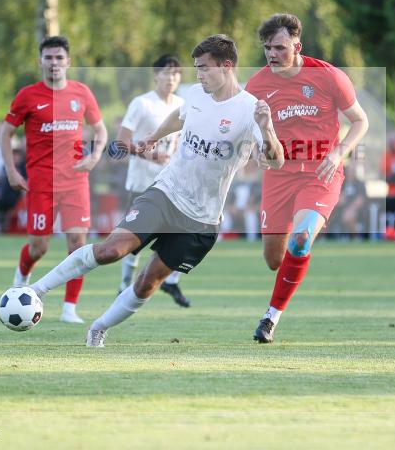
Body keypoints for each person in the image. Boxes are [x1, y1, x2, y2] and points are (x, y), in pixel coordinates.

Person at [26, 34, 284, 347]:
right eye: (196, 69)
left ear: (226, 66)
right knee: (111, 250)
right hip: (165, 193)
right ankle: (34, 291)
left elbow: (276, 159)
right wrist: (152, 137)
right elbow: (180, 115)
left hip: (201, 221)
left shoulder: (251, 109)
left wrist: (268, 129)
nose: (197, 75)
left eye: (203, 68)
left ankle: (98, 328)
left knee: (149, 281)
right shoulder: (197, 94)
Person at [244, 13, 369, 343]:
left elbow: (360, 122)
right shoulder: (256, 85)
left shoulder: (328, 76)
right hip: (279, 175)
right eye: (267, 48)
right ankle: (291, 270)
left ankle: (270, 318)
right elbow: (251, 132)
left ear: (297, 46)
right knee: (274, 259)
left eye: (280, 48)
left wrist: (338, 152)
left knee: (300, 238)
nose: (273, 55)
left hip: (321, 173)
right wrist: (258, 149)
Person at [0, 35, 108, 324]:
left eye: (59, 57)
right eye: (48, 57)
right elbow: (6, 133)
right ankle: (21, 277)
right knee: (40, 247)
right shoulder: (27, 96)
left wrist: (95, 156)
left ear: (68, 61)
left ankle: (69, 309)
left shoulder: (82, 93)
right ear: (40, 62)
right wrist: (12, 171)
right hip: (41, 183)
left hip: (75, 182)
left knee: (78, 246)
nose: (54, 63)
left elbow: (101, 130)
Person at [114, 54, 191, 306]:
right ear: (155, 75)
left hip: (172, 184)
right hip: (142, 184)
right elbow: (122, 142)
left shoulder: (183, 103)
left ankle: (170, 281)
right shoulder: (142, 104)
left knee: (188, 234)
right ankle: (124, 285)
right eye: (167, 73)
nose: (172, 78)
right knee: (132, 243)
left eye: (176, 73)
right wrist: (150, 154)